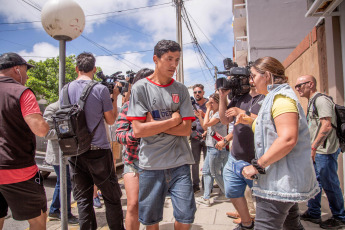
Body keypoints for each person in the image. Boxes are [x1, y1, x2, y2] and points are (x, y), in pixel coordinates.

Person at [237, 56, 319, 230]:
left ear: (266, 75)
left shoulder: (281, 99)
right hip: (281, 180)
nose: (251, 81)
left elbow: (288, 139)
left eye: (253, 76)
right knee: (292, 226)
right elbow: (272, 129)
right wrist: (250, 121)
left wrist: (257, 166)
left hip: (279, 181)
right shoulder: (272, 97)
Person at [127, 39, 196, 230]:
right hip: (151, 165)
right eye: (169, 59)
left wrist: (153, 124)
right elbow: (138, 130)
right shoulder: (141, 88)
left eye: (177, 59)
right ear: (155, 59)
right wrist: (173, 121)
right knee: (151, 221)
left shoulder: (180, 89)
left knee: (186, 218)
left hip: (180, 163)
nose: (174, 65)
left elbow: (186, 129)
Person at [64, 52, 124, 230]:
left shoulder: (65, 89)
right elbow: (111, 120)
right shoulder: (100, 89)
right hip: (98, 150)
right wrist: (114, 97)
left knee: (83, 199)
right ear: (94, 69)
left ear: (76, 68)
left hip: (74, 151)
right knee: (111, 197)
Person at [0, 52, 50, 230]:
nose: (27, 75)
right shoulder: (22, 92)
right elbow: (40, 129)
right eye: (25, 70)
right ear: (16, 69)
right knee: (38, 219)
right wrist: (47, 122)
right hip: (17, 169)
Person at [295, 75, 345, 229]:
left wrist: (314, 147)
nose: (297, 89)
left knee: (330, 183)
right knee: (314, 182)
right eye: (296, 86)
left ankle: (340, 217)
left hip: (325, 151)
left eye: (300, 86)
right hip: (318, 151)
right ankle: (314, 212)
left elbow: (326, 125)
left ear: (310, 84)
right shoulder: (312, 101)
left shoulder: (321, 100)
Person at [219, 76, 264, 230]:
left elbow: (266, 122)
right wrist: (222, 97)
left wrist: (242, 112)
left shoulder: (265, 98)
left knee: (265, 199)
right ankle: (246, 224)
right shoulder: (239, 98)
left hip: (257, 161)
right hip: (234, 159)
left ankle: (269, 224)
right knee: (232, 191)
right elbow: (225, 120)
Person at [115, 68, 154, 230]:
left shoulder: (160, 107)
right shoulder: (127, 107)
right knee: (133, 205)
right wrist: (138, 131)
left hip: (155, 163)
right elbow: (120, 136)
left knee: (152, 207)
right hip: (133, 162)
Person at [43, 101, 79, 225]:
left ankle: (54, 210)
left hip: (70, 153)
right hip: (57, 154)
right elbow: (47, 133)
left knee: (64, 183)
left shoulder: (74, 108)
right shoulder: (52, 108)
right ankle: (64, 213)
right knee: (65, 183)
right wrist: (67, 130)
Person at [194, 93, 228, 206]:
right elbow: (205, 127)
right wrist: (200, 116)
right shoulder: (214, 112)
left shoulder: (219, 114)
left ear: (219, 103)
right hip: (211, 146)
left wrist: (207, 109)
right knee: (206, 172)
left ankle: (228, 194)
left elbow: (207, 123)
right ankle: (206, 197)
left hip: (216, 148)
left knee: (215, 174)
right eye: (210, 102)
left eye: (212, 102)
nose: (210, 104)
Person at [190, 84, 208, 193]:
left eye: (199, 92)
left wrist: (206, 131)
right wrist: (192, 132)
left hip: (207, 135)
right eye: (195, 92)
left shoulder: (208, 104)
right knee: (195, 162)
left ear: (203, 92)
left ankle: (206, 186)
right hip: (195, 137)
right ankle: (195, 185)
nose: (197, 94)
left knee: (206, 163)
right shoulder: (191, 105)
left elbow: (213, 118)